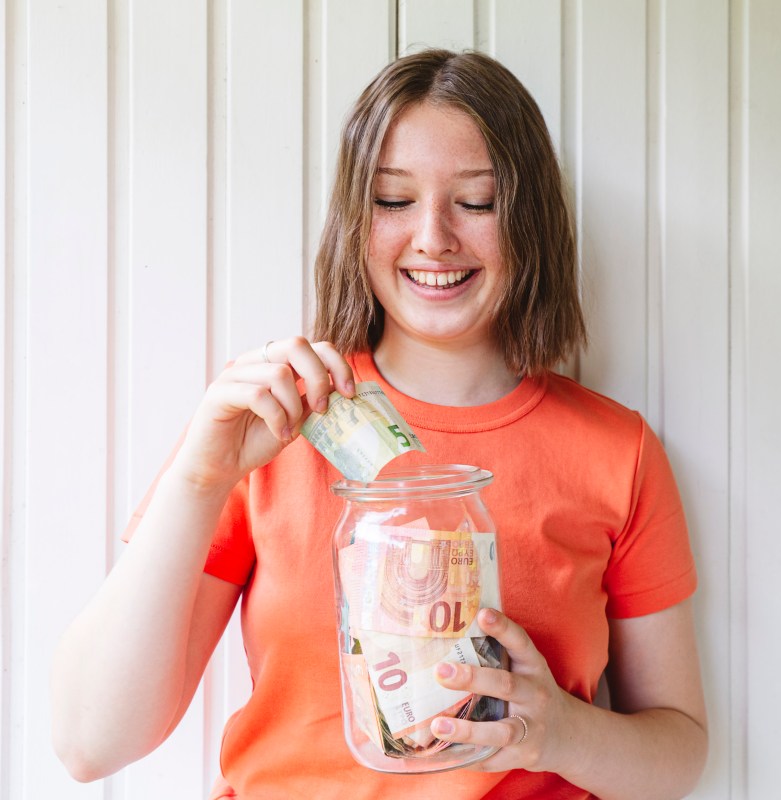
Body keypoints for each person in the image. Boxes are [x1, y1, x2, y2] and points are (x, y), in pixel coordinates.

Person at [50, 48, 707, 799]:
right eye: (394, 200)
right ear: (355, 221)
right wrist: (201, 478)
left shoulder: (617, 452)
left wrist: (558, 730)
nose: (433, 237)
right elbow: (88, 742)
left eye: (478, 201)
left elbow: (678, 749)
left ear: (529, 220)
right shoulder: (269, 424)